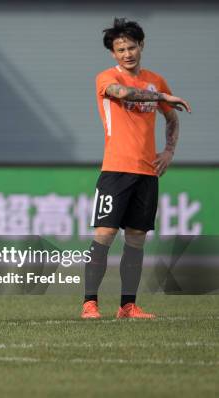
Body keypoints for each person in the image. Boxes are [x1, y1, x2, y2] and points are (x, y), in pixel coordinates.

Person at [82, 18, 191, 319]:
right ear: (113, 54)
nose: (127, 53)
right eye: (120, 49)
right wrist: (162, 97)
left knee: (136, 240)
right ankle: (89, 303)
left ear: (141, 46)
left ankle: (127, 305)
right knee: (104, 235)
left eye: (131, 47)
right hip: (116, 170)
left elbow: (172, 117)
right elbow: (122, 93)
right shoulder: (105, 78)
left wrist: (169, 151)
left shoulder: (156, 80)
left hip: (147, 172)